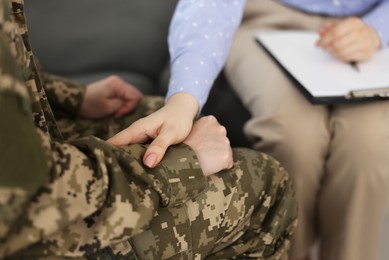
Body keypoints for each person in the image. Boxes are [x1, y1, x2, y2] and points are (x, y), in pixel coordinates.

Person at [0, 0, 298, 259]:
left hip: (35, 163)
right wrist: (184, 162)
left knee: (152, 114)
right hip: (33, 232)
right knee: (267, 182)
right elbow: (30, 197)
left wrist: (67, 97)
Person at [224, 1, 389, 260]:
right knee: (291, 137)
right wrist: (185, 97)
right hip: (266, 19)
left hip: (370, 26)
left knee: (369, 145)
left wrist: (378, 29)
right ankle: (286, 253)